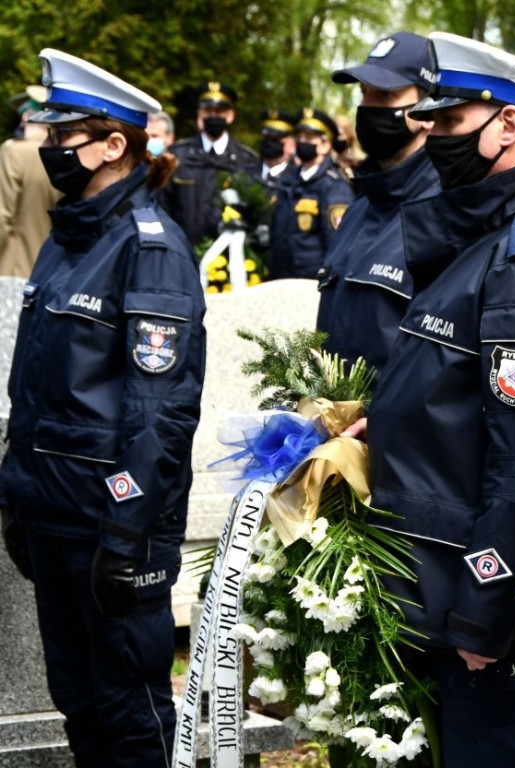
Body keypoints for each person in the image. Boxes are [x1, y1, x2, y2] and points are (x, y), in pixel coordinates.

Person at [365, 31, 515, 766]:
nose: (428, 134)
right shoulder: (482, 231)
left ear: (507, 125)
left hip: (467, 592)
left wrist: (486, 610)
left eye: (447, 120)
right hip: (426, 574)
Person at [0, 48, 206, 766]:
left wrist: (125, 533)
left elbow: (160, 412)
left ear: (114, 145)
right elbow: (34, 389)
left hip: (111, 528)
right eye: (46, 136)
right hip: (51, 515)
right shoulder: (67, 239)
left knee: (130, 714)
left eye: (62, 138)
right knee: (78, 702)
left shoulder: (149, 249)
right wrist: (15, 493)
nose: (48, 149)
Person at [316, 31, 439, 375]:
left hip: (394, 427)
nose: (368, 107)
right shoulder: (361, 207)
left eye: (385, 95)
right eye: (364, 93)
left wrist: (379, 420)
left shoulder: (445, 212)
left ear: (427, 110)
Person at [161, 80, 261, 245]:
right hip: (183, 252)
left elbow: (254, 212)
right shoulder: (178, 155)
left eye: (219, 111)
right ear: (199, 113)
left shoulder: (247, 160)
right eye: (208, 111)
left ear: (230, 115)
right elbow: (162, 206)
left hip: (231, 257)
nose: (213, 116)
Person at [266, 107, 352, 280]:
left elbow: (336, 243)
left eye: (310, 138)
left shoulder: (333, 186)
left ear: (325, 145)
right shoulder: (288, 180)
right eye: (301, 137)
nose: (303, 142)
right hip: (279, 278)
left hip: (309, 282)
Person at [0, 86, 60, 276]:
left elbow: (2, 217)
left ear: (26, 116)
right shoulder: (63, 156)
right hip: (49, 271)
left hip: (11, 270)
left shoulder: (14, 151)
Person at [258, 108, 296, 190]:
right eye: (266, 138)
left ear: (291, 144)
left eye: (275, 139)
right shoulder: (246, 170)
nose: (269, 143)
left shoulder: (297, 179)